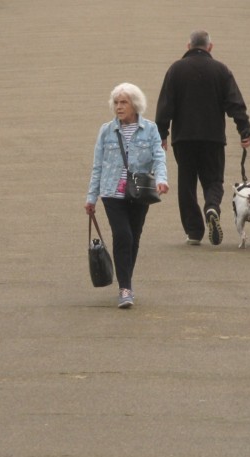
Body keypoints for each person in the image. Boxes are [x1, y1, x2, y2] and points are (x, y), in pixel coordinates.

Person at [156, 29, 250, 246]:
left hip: (183, 138)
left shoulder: (176, 69)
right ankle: (212, 206)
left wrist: (161, 133)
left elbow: (165, 105)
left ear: (188, 46)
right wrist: (245, 130)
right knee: (214, 180)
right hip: (212, 137)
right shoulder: (221, 70)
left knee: (186, 183)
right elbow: (235, 103)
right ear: (210, 47)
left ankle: (194, 231)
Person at [86, 83, 169, 308]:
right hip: (112, 192)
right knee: (123, 236)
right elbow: (97, 166)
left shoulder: (150, 129)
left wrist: (162, 179)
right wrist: (91, 197)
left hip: (140, 192)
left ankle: (125, 281)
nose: (119, 107)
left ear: (135, 104)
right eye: (116, 102)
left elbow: (158, 157)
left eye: (123, 102)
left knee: (134, 238)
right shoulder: (106, 130)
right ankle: (125, 288)